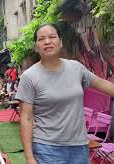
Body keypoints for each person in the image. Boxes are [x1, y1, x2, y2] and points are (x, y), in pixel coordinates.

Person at [16, 23, 114, 164]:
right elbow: (26, 118)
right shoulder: (29, 77)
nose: (47, 41)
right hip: (47, 148)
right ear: (36, 46)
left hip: (79, 147)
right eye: (41, 39)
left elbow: (103, 84)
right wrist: (29, 157)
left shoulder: (76, 68)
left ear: (60, 42)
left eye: (52, 37)